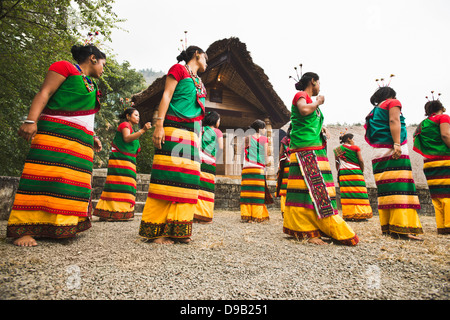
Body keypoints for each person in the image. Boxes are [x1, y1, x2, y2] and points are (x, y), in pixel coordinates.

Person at [7, 44, 106, 246]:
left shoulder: (91, 84)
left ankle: (62, 226)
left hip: (80, 141)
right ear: (93, 58)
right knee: (42, 176)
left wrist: (93, 135)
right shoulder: (65, 67)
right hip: (54, 133)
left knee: (68, 182)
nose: (104, 69)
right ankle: (24, 229)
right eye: (104, 63)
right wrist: (30, 121)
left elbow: (84, 114)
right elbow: (45, 92)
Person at [138, 46, 207, 244]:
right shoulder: (178, 69)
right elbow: (166, 96)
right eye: (206, 58)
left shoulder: (200, 82)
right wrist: (159, 125)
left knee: (188, 183)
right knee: (165, 180)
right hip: (172, 128)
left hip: (191, 135)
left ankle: (179, 229)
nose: (207, 63)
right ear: (197, 54)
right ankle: (156, 231)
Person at [283, 72, 359, 246]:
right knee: (319, 190)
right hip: (306, 149)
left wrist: (322, 129)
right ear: (313, 81)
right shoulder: (301, 96)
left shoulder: (311, 102)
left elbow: (307, 121)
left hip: (312, 148)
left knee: (306, 191)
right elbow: (303, 110)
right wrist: (317, 102)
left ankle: (308, 229)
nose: (320, 87)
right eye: (319, 83)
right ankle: (317, 229)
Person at [365, 85, 423, 240]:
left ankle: (389, 227)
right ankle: (401, 229)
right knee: (400, 187)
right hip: (393, 149)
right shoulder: (392, 102)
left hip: (378, 152)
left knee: (387, 190)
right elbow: (394, 120)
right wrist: (397, 143)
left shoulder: (374, 111)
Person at [93, 107, 151, 221]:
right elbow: (127, 138)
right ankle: (110, 212)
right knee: (117, 184)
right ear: (128, 116)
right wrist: (143, 130)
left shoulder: (133, 130)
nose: (138, 117)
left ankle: (123, 212)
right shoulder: (124, 125)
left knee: (127, 185)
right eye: (135, 115)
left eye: (139, 115)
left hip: (128, 161)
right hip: (119, 160)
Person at [413, 96, 450, 234]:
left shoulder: (422, 124)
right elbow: (445, 135)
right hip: (445, 161)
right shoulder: (443, 117)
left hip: (429, 163)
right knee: (448, 195)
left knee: (437, 196)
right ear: (441, 108)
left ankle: (442, 227)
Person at [334, 132, 373, 221]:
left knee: (347, 194)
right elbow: (361, 160)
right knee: (360, 193)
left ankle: (348, 214)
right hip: (355, 172)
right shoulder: (356, 148)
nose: (353, 141)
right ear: (348, 139)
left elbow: (337, 163)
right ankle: (361, 214)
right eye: (352, 139)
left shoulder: (337, 149)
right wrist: (361, 170)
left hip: (343, 173)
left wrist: (339, 172)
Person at [194, 111, 223, 224]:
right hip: (210, 161)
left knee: (198, 187)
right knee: (208, 189)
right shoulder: (217, 132)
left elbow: (196, 144)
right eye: (219, 119)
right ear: (215, 120)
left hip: (198, 160)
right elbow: (220, 147)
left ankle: (195, 215)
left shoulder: (201, 129)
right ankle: (204, 216)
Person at [240, 119, 271, 222]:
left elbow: (242, 153)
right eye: (264, 128)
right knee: (258, 193)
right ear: (260, 129)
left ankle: (247, 215)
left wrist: (242, 167)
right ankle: (257, 215)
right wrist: (265, 167)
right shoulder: (264, 139)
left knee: (247, 192)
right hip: (258, 167)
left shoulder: (247, 137)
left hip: (247, 166)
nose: (265, 130)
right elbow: (265, 155)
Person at [276, 124, 291, 216]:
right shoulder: (299, 138)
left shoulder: (284, 140)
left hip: (286, 164)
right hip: (297, 165)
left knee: (284, 187)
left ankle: (284, 210)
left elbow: (281, 153)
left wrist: (279, 166)